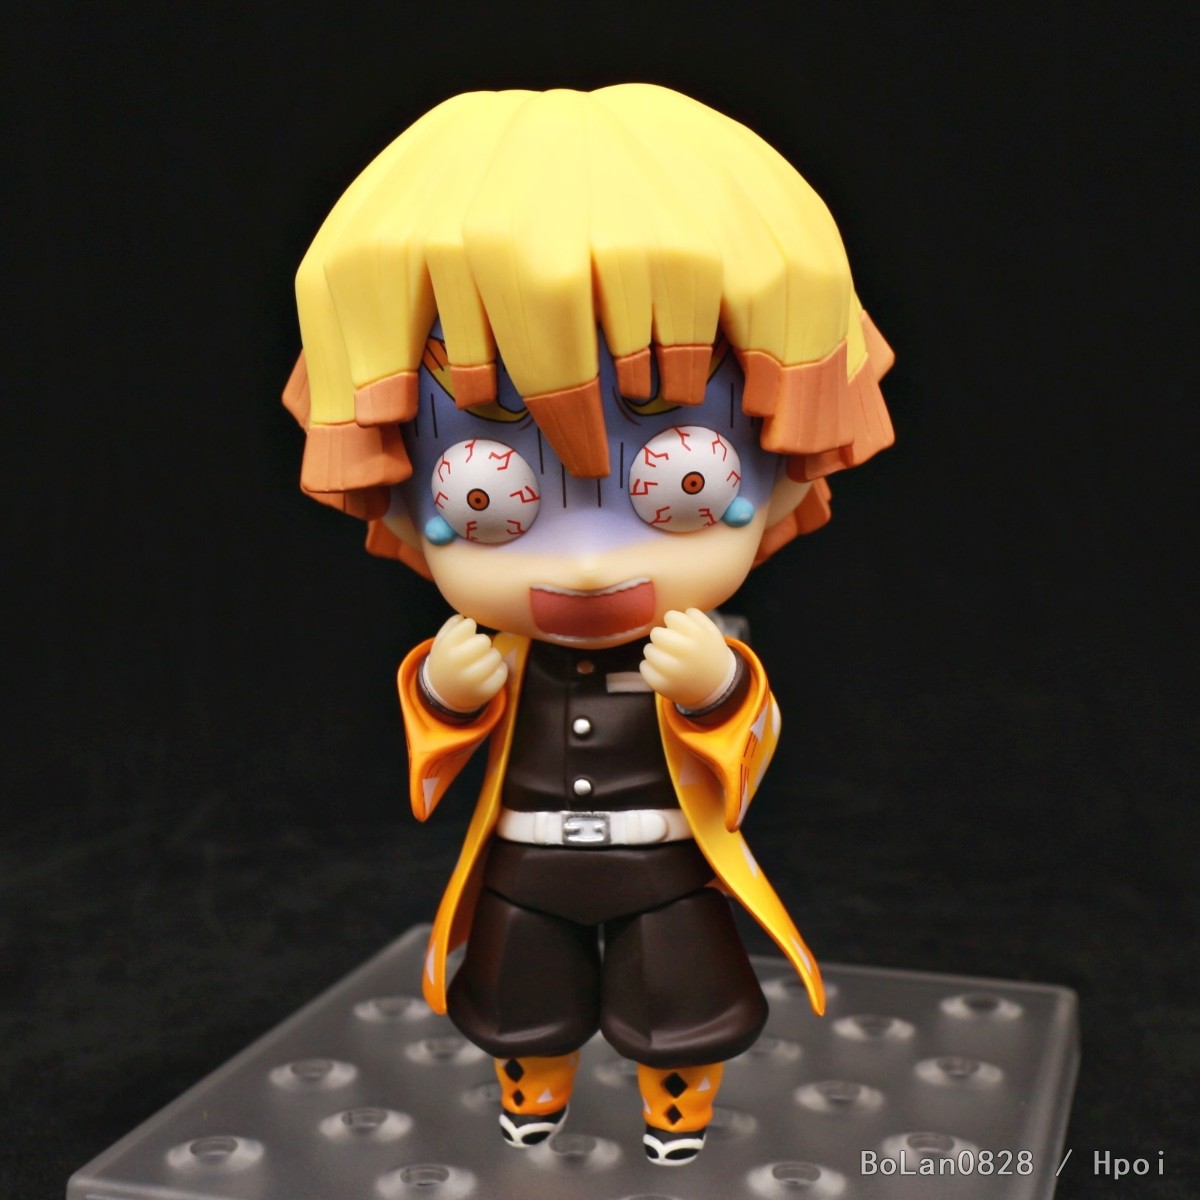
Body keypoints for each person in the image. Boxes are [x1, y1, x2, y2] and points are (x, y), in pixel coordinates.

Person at [283, 83, 894, 1166]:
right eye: (486, 495)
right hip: (525, 867)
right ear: (395, 491)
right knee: (519, 998)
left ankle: (676, 1111)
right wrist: (446, 695)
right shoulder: (495, 649)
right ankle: (534, 1094)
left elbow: (749, 746)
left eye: (685, 483)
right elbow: (434, 747)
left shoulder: (696, 646)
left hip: (665, 868)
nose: (586, 561)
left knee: (683, 1000)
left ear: (789, 471)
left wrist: (715, 687)